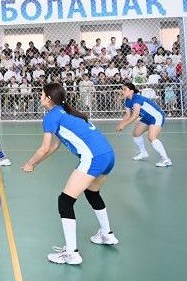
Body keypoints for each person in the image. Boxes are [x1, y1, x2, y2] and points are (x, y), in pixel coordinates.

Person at [22, 82, 118, 266]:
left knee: (65, 201)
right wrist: (36, 164)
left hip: (94, 158)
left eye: (42, 94)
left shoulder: (51, 116)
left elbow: (44, 148)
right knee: (92, 192)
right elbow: (55, 145)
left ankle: (71, 253)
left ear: (48, 98)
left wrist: (30, 163)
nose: (40, 96)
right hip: (108, 154)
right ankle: (107, 234)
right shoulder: (67, 112)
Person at [117, 82, 172, 167]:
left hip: (156, 116)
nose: (122, 91)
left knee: (151, 137)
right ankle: (143, 153)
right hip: (146, 118)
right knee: (136, 134)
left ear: (131, 91)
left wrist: (124, 125)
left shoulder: (137, 98)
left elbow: (135, 115)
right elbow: (128, 115)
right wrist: (121, 124)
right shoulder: (127, 101)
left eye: (125, 89)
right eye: (122, 89)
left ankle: (166, 159)